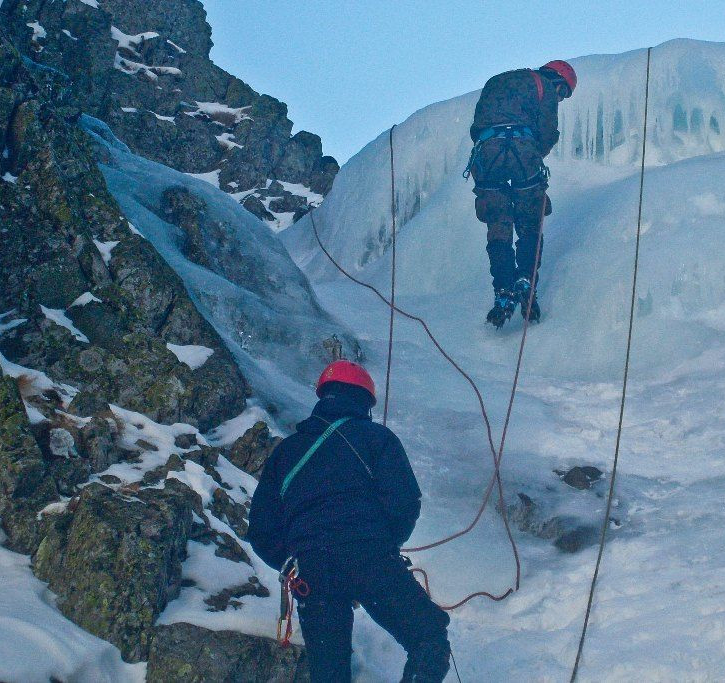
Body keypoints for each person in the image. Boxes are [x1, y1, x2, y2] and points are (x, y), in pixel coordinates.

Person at [248, 360, 450, 682]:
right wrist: (383, 545)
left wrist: (291, 564)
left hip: (312, 572)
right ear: (364, 402)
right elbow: (404, 502)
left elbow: (260, 529)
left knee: (330, 675)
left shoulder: (285, 453)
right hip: (371, 559)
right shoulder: (376, 438)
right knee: (428, 639)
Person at [465, 59, 578, 328]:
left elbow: (476, 127)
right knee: (530, 221)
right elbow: (548, 132)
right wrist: (531, 153)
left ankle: (503, 289)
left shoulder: (496, 81)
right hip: (522, 151)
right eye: (563, 93)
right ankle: (525, 280)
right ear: (558, 80)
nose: (560, 98)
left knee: (498, 223)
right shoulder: (544, 86)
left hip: (487, 154)